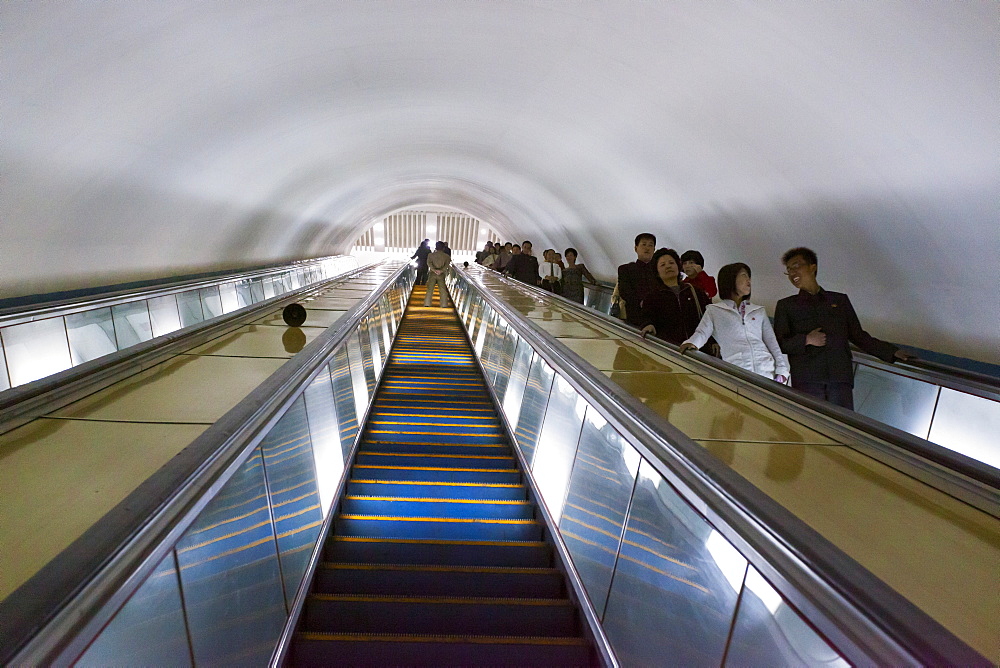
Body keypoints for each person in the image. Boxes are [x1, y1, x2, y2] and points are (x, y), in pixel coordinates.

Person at [773, 247, 914, 410]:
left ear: (813, 267)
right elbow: (780, 343)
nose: (792, 273)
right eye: (788, 270)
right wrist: (806, 340)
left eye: (796, 266)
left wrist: (891, 352)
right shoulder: (786, 306)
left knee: (842, 429)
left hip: (840, 380)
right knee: (812, 428)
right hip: (808, 381)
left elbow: (858, 336)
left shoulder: (839, 301)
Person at [679, 263, 789, 382]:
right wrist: (690, 343)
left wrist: (782, 371)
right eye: (744, 275)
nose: (749, 280)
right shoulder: (714, 311)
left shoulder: (758, 311)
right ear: (730, 280)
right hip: (737, 373)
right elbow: (701, 333)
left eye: (749, 277)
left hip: (768, 372)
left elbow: (772, 343)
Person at [639, 248, 711, 344]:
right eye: (662, 265)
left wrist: (712, 341)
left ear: (678, 266)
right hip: (669, 349)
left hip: (697, 348)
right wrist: (648, 325)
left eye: (671, 263)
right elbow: (647, 317)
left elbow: (708, 317)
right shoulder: (653, 297)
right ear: (657, 272)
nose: (668, 266)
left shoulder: (694, 291)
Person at [617, 233, 660, 327]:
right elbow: (625, 292)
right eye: (643, 244)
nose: (647, 248)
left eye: (650, 245)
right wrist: (643, 303)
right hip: (636, 319)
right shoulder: (625, 269)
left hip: (658, 320)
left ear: (654, 250)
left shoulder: (659, 270)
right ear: (636, 248)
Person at [423, 241, 452, 307]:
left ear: (436, 247)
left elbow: (429, 263)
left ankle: (427, 304)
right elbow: (446, 265)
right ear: (443, 248)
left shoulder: (430, 255)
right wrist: (441, 271)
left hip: (432, 274)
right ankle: (444, 305)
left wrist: (434, 270)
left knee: (430, 289)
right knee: (442, 290)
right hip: (441, 275)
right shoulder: (446, 256)